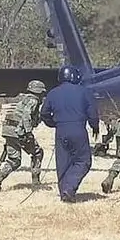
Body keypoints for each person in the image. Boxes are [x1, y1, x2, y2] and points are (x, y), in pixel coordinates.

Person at [40, 65, 100, 202]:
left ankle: (64, 193)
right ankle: (70, 188)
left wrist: (54, 124)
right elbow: (92, 113)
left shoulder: (53, 93)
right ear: (75, 76)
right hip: (78, 129)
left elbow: (44, 114)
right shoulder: (84, 92)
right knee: (83, 161)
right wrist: (94, 126)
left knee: (63, 162)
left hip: (60, 131)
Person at [0, 80, 47, 192]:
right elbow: (26, 115)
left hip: (8, 130)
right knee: (37, 153)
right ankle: (35, 183)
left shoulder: (21, 98)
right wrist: (28, 132)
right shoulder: (33, 100)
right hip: (19, 131)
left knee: (14, 160)